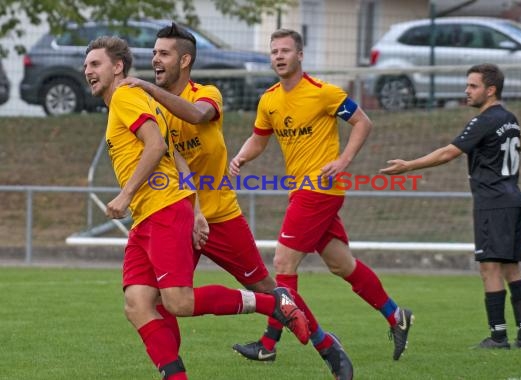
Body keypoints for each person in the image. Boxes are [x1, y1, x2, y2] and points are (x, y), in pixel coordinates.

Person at [119, 23, 353, 380]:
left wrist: (147, 87)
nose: (155, 60)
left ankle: (325, 344)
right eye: (153, 54)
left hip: (221, 217)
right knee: (154, 300)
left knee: (266, 289)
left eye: (163, 54)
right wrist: (192, 210)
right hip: (177, 215)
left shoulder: (207, 93)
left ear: (185, 60)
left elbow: (197, 115)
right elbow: (168, 157)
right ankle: (172, 371)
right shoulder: (150, 107)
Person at [83, 35, 310, 380]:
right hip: (150, 215)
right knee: (138, 304)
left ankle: (273, 303)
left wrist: (126, 194)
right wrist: (197, 210)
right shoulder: (130, 101)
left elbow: (156, 146)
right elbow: (176, 155)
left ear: (118, 67)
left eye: (95, 64)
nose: (88, 71)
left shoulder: (127, 96)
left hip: (163, 210)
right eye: (85, 65)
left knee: (178, 302)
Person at [229, 28, 414, 362]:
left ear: (300, 55)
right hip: (302, 190)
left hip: (319, 190)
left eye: (286, 50)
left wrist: (343, 161)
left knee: (283, 263)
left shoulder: (323, 93)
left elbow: (363, 122)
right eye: (274, 52)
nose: (279, 56)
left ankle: (268, 345)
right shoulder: (269, 99)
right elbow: (259, 139)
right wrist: (241, 156)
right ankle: (396, 315)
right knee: (341, 264)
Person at [380, 63, 521, 349]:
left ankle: (498, 337)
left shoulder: (483, 121)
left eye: (473, 86)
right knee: (511, 268)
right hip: (512, 199)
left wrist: (409, 165)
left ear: (490, 89)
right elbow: (519, 140)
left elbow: (448, 153)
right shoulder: (508, 118)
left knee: (489, 269)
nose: (466, 91)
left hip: (493, 202)